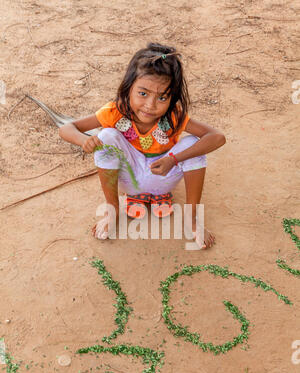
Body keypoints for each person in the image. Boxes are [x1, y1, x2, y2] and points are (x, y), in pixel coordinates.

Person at [59, 42, 226, 248]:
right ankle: (112, 210)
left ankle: (192, 218)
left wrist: (173, 159)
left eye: (162, 97)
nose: (150, 105)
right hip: (131, 181)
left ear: (172, 98)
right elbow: (67, 128)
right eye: (143, 93)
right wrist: (84, 140)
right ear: (128, 88)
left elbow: (217, 137)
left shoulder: (174, 116)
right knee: (107, 136)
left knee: (193, 144)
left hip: (164, 175)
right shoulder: (116, 111)